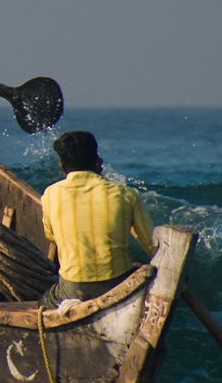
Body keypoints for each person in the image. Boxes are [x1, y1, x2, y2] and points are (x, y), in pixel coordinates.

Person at [39, 131, 157, 309]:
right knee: (137, 268)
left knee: (44, 301)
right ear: (98, 161)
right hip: (117, 285)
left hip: (74, 288)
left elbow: (51, 236)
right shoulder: (126, 194)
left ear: (63, 167)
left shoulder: (50, 194)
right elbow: (152, 245)